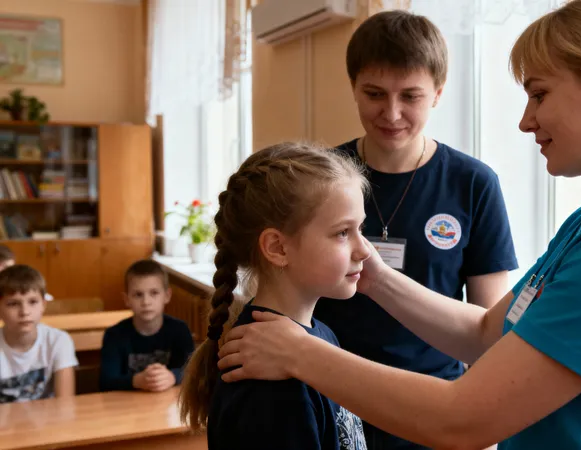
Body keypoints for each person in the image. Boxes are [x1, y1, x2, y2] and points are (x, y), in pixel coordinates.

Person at [216, 0, 581, 448]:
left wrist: (300, 352)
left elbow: (463, 420)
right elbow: (486, 335)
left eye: (540, 94)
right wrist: (370, 271)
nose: (526, 120)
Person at [315, 10, 518, 449]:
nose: (392, 113)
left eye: (410, 96)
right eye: (374, 94)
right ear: (353, 87)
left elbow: (490, 326)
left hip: (432, 405)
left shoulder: (473, 183)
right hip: (333, 397)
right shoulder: (321, 179)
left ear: (438, 94)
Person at [178, 143, 371, 449]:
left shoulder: (316, 337)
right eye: (342, 233)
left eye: (360, 227)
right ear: (278, 248)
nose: (365, 250)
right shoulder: (269, 384)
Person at [99, 259, 194, 392]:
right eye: (138, 295)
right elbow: (106, 381)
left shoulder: (180, 330)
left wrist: (173, 376)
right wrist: (136, 380)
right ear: (127, 299)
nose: (146, 302)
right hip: (127, 407)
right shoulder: (114, 335)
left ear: (167, 296)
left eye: (154, 293)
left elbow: (193, 372)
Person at [0, 265, 77, 403]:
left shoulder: (58, 341)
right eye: (13, 304)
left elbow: (65, 403)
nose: (24, 312)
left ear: (43, 305)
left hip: (48, 422)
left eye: (33, 302)